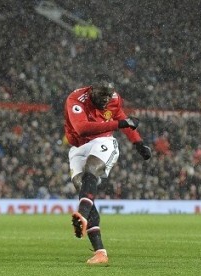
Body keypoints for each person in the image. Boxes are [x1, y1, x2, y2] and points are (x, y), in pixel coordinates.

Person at [64, 74, 151, 265]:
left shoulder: (114, 99)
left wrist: (139, 144)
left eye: (109, 95)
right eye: (102, 95)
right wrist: (120, 124)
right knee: (82, 187)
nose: (106, 99)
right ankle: (100, 253)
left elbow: (123, 119)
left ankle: (82, 215)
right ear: (91, 90)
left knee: (91, 171)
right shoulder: (76, 99)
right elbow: (82, 128)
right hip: (78, 146)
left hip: (103, 140)